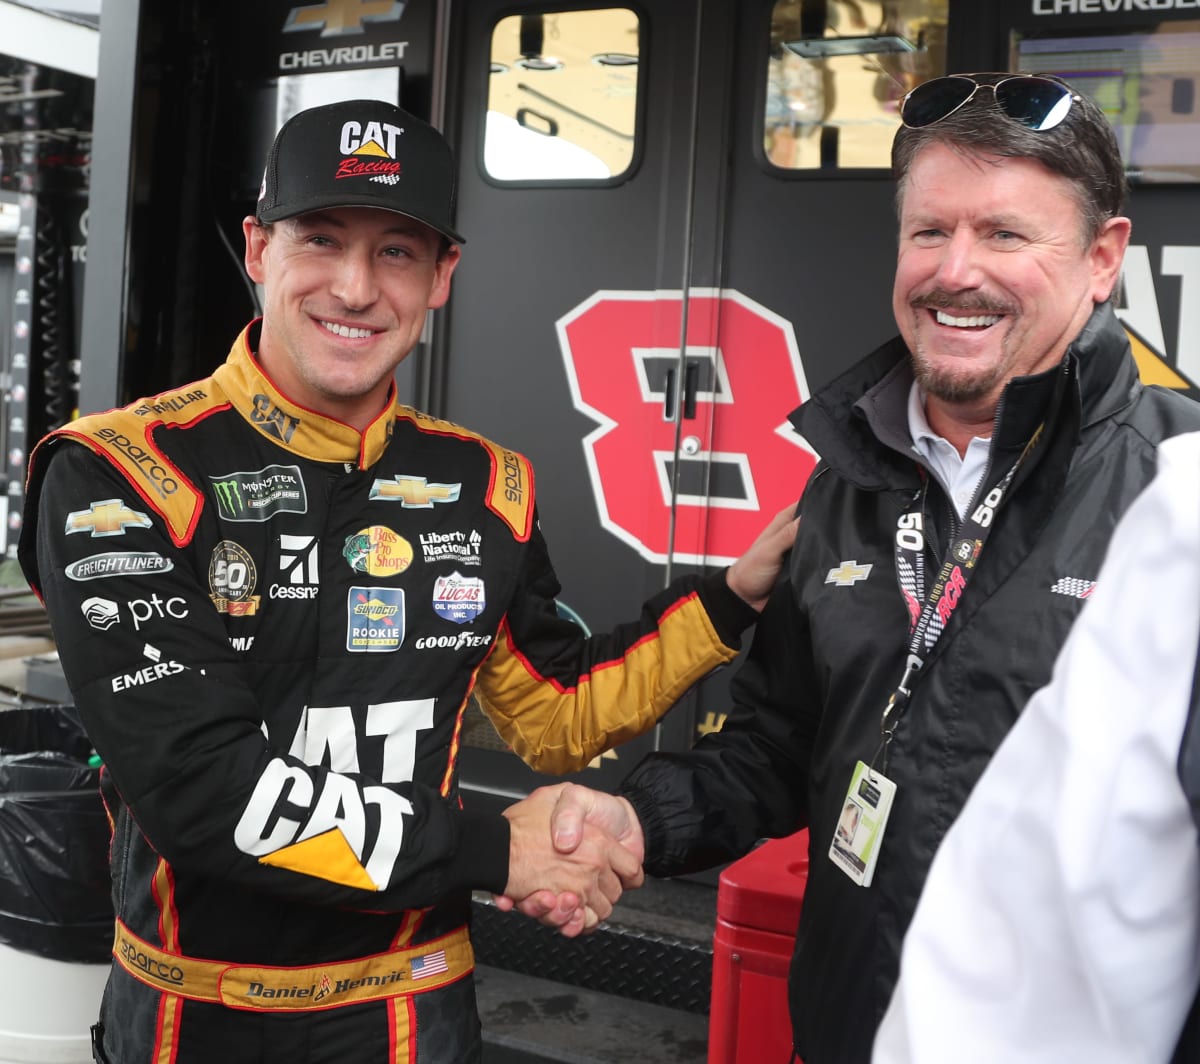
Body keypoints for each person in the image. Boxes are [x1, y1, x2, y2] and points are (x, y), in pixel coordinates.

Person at [15, 99, 796, 1064]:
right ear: (259, 251)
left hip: (415, 1019)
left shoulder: (487, 484)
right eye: (322, 239)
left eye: (397, 252)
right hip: (194, 1025)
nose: (355, 287)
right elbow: (202, 792)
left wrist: (733, 596)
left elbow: (558, 715)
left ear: (443, 279)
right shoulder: (118, 472)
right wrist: (503, 850)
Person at [516, 72, 1200, 1061]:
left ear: (1103, 258)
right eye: (929, 231)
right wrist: (632, 819)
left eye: (1005, 234)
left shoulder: (1181, 495)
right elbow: (778, 747)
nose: (955, 270)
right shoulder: (849, 481)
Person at [872, 429, 1200, 1064]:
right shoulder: (845, 477)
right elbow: (782, 738)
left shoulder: (1163, 474)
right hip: (847, 993)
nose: (963, 318)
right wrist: (653, 819)